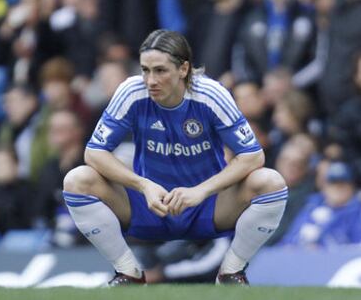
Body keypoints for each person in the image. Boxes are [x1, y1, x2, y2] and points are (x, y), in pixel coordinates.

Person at [63, 29, 288, 286]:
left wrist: (201, 191)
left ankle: (231, 272)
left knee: (271, 182)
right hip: (149, 204)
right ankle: (128, 272)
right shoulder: (131, 92)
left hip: (209, 205)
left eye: (160, 70)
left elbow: (252, 156)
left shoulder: (211, 95)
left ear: (184, 69)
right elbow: (94, 152)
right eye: (145, 70)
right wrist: (143, 185)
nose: (150, 80)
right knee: (77, 180)